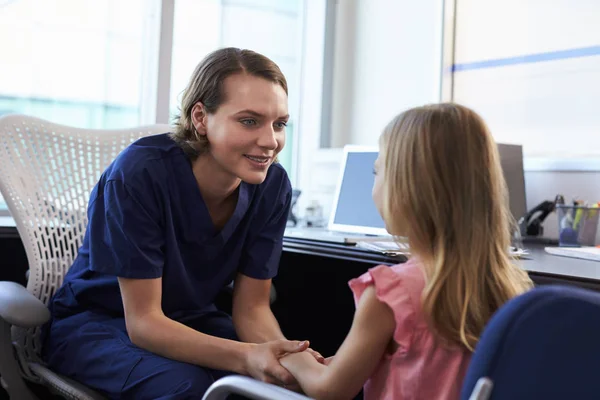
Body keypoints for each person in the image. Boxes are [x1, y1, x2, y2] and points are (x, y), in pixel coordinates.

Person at [42, 47, 322, 399]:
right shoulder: (138, 175)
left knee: (285, 382)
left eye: (279, 124)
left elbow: (251, 308)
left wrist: (288, 359)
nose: (271, 142)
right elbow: (144, 324)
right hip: (98, 326)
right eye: (249, 121)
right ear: (201, 118)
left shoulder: (273, 186)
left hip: (191, 320)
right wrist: (249, 356)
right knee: (187, 386)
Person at [279, 103, 534, 400]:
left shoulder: (390, 292)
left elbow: (330, 389)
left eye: (377, 170)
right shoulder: (510, 288)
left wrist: (292, 357)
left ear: (406, 186)